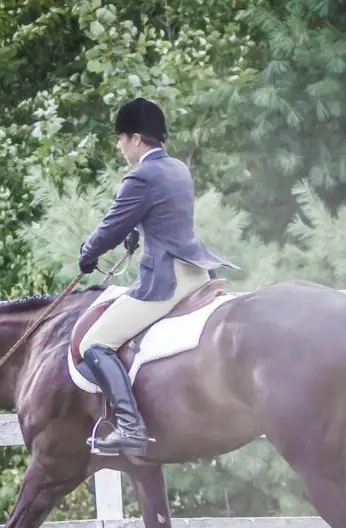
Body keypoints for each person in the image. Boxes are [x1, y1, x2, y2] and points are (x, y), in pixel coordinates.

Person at [77, 97, 238, 457]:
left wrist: (87, 254)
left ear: (136, 138)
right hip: (197, 272)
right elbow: (160, 214)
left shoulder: (141, 175)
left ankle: (131, 428)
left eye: (120, 138)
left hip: (166, 280)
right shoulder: (177, 168)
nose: (119, 146)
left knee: (95, 344)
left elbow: (110, 228)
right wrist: (137, 229)